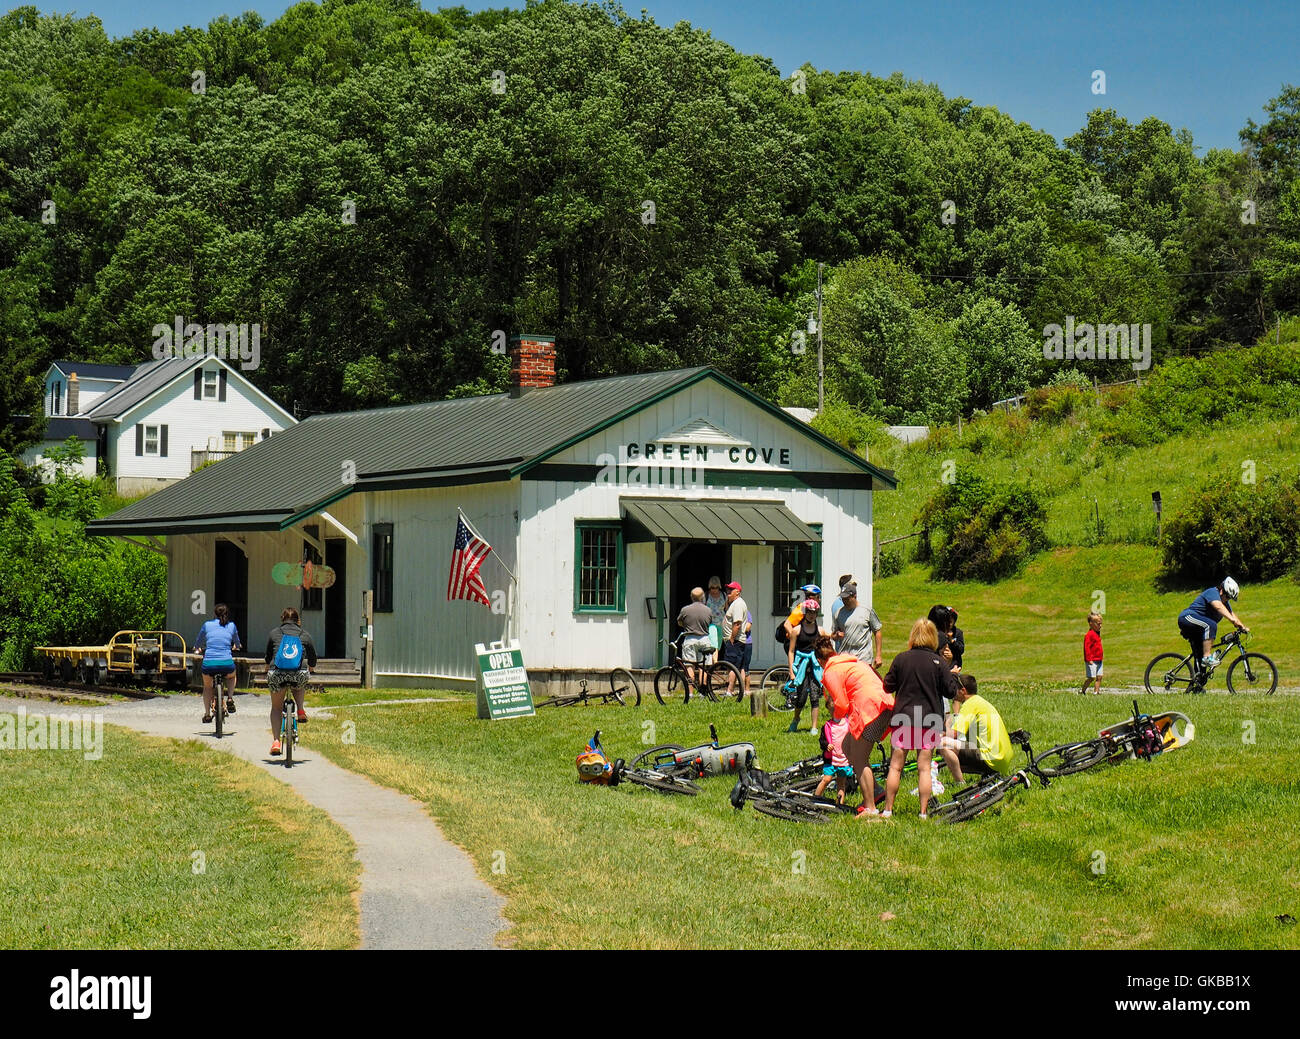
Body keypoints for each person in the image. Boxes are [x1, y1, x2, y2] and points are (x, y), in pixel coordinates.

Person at [880, 618, 959, 819]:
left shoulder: (901, 659)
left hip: (904, 717)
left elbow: (888, 686)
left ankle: (888, 809)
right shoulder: (938, 662)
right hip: (929, 719)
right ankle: (923, 812)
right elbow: (950, 692)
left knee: (896, 766)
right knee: (924, 768)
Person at [815, 635, 896, 818]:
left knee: (859, 759)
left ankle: (870, 809)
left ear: (820, 660)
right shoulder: (853, 662)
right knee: (846, 746)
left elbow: (841, 705)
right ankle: (875, 790)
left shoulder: (831, 670)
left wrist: (835, 719)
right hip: (884, 706)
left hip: (870, 710)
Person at [938, 674, 1013, 783]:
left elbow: (953, 734)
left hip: (991, 758)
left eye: (955, 689)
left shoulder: (970, 705)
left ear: (963, 690)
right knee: (956, 751)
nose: (953, 692)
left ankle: (959, 783)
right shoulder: (980, 702)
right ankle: (987, 774)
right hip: (1002, 761)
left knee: (943, 744)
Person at [265, 606, 318, 756]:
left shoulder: (274, 633)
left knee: (276, 708)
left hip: (277, 673)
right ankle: (300, 709)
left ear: (282, 619)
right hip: (298, 673)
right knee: (301, 678)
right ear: (298, 620)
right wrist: (311, 668)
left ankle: (276, 741)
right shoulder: (304, 634)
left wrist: (267, 666)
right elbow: (313, 657)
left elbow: (268, 656)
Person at [1178, 577, 1248, 681]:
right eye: (1227, 596)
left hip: (1198, 628)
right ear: (1221, 590)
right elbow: (1218, 606)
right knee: (1211, 625)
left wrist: (1242, 626)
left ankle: (1197, 685)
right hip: (1187, 618)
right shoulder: (1212, 592)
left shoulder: (1224, 602)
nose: (1227, 599)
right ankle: (1207, 657)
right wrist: (1233, 621)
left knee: (1201, 667)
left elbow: (1231, 614)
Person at [785, 599, 829, 734]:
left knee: (815, 696)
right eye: (809, 612)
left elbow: (825, 651)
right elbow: (791, 651)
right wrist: (791, 671)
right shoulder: (796, 631)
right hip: (801, 666)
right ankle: (796, 718)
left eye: (814, 613)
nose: (811, 615)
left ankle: (814, 726)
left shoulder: (820, 631)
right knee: (802, 695)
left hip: (815, 667)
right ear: (804, 613)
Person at [194, 603, 241, 724]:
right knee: (232, 676)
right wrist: (236, 646)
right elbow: (237, 641)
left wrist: (197, 648)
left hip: (209, 663)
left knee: (207, 687)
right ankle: (230, 698)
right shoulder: (231, 626)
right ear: (227, 614)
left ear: (214, 614)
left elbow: (199, 640)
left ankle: (207, 714)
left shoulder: (207, 625)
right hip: (226, 663)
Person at [832, 582, 883, 669]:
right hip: (845, 659)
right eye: (843, 599)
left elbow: (877, 631)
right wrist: (836, 635)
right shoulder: (838, 613)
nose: (844, 601)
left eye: (847, 599)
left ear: (854, 596)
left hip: (863, 659)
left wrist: (878, 655)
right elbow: (833, 635)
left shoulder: (866, 610)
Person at [676, 587, 714, 690]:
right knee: (704, 667)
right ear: (703, 597)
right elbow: (710, 622)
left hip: (690, 639)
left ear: (691, 597)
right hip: (704, 639)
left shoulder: (685, 609)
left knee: (689, 666)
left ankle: (691, 692)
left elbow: (679, 622)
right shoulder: (708, 610)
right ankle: (704, 690)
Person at [722, 581, 751, 697]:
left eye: (731, 590)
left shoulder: (738, 604)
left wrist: (732, 639)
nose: (728, 592)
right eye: (727, 590)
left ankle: (729, 691)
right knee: (733, 666)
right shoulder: (734, 603)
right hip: (735, 640)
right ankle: (731, 690)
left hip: (736, 640)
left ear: (737, 592)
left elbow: (737, 624)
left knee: (732, 666)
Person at [1080, 612, 1103, 695]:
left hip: (1099, 659)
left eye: (1101, 624)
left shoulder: (1097, 634)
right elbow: (1086, 648)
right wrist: (1088, 659)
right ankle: (1083, 690)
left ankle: (1096, 691)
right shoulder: (1089, 635)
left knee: (1099, 677)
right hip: (1092, 660)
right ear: (1091, 624)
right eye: (1098, 624)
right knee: (1091, 677)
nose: (1100, 626)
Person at [704, 577, 727, 647]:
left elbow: (727, 609)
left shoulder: (724, 595)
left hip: (721, 623)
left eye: (716, 587)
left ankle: (715, 657)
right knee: (712, 644)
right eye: (712, 588)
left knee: (718, 645)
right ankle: (713, 658)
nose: (714, 590)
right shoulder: (706, 595)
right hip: (710, 623)